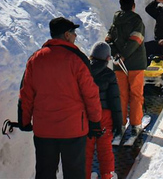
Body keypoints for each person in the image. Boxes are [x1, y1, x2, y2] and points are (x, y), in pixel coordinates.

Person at [18, 17, 102, 179]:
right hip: (73, 129)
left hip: (44, 130)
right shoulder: (76, 58)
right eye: (73, 33)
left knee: (45, 173)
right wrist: (95, 122)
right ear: (66, 35)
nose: (75, 36)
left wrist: (24, 121)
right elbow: (90, 94)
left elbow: (26, 94)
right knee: (74, 173)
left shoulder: (35, 59)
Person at [106, 0, 147, 142]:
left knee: (121, 95)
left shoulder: (115, 22)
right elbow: (136, 39)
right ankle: (136, 124)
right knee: (136, 95)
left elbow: (108, 40)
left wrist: (116, 54)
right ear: (133, 5)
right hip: (135, 64)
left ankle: (121, 124)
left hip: (118, 66)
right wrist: (124, 55)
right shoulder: (136, 21)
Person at [85, 42, 122, 179]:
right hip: (104, 116)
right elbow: (115, 101)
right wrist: (118, 124)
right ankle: (108, 175)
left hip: (87, 116)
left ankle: (85, 175)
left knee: (86, 150)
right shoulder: (109, 75)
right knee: (105, 149)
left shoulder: (84, 72)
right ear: (107, 58)